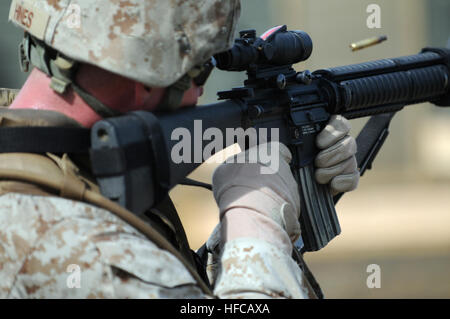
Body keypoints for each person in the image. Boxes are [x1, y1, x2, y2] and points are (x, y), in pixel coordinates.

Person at [0, 0, 359, 298]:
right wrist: (257, 229)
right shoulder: (87, 253)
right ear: (144, 78)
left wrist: (230, 243)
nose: (199, 93)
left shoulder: (57, 166)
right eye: (199, 71)